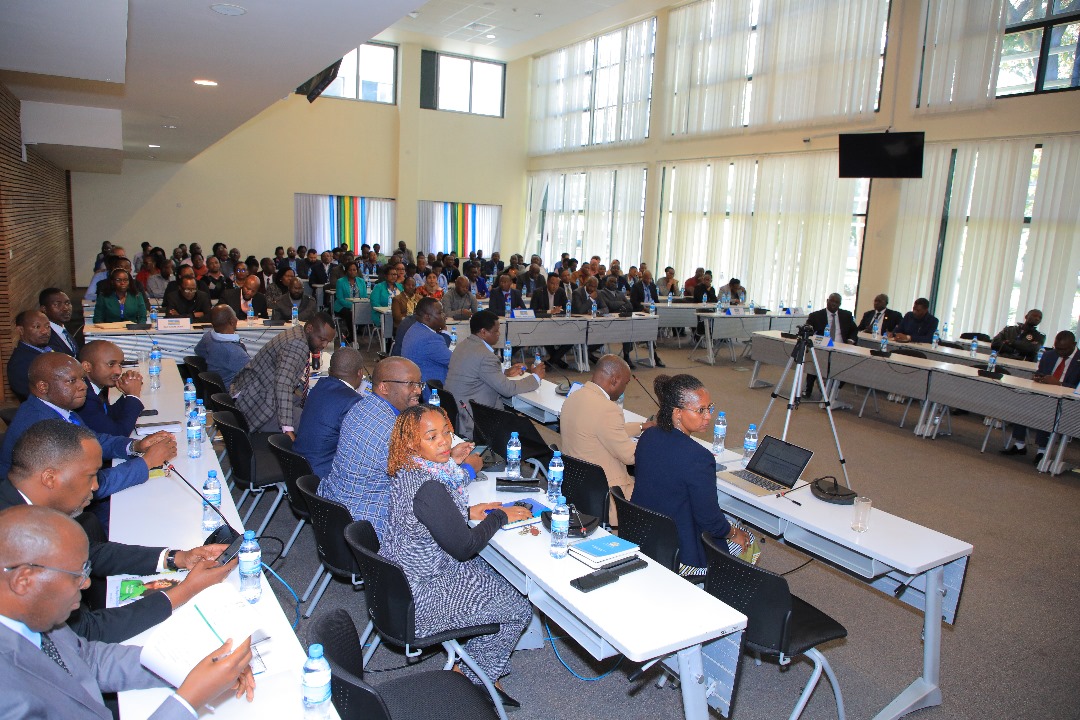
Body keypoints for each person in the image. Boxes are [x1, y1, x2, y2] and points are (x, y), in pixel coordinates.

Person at [0, 505, 255, 718]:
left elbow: (88, 659)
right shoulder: (8, 698)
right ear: (24, 580)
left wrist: (190, 665)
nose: (86, 583)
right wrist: (189, 700)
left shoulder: (35, 614)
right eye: (77, 575)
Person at [0, 421, 232, 642]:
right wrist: (186, 590)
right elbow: (86, 631)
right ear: (50, 478)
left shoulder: (26, 506)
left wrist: (179, 558)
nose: (95, 486)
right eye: (90, 476)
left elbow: (92, 554)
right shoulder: (14, 542)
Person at [380, 405, 532, 705]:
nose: (444, 442)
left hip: (402, 582)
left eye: (447, 432)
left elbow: (428, 516)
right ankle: (472, 678)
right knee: (518, 608)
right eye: (432, 436)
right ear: (412, 442)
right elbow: (464, 547)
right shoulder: (430, 486)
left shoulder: (409, 469)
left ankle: (478, 663)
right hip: (423, 594)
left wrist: (464, 511)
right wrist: (499, 516)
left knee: (499, 577)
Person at [320, 357, 468, 537]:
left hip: (338, 508)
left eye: (419, 384)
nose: (418, 391)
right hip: (369, 524)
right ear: (384, 387)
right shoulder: (392, 430)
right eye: (410, 384)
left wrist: (449, 457)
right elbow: (430, 486)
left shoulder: (361, 406)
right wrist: (469, 468)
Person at [0, 353, 176, 503]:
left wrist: (135, 446)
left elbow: (92, 440)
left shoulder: (56, 407)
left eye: (82, 379)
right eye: (72, 381)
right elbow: (88, 486)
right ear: (43, 386)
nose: (83, 386)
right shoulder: (42, 426)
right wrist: (147, 463)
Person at [633, 374, 755, 577]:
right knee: (748, 539)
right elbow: (711, 523)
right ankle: (727, 596)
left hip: (643, 535)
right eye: (701, 410)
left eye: (710, 408)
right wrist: (735, 533)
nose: (708, 416)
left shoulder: (648, 436)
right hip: (682, 554)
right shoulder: (699, 457)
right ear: (678, 413)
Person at [559, 355, 653, 525]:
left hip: (577, 485)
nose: (624, 389)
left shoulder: (574, 396)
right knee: (662, 495)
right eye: (625, 384)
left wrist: (643, 426)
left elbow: (603, 430)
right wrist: (655, 441)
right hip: (609, 492)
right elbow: (630, 456)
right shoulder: (607, 409)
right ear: (615, 380)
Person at [230, 312, 337, 436]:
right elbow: (283, 384)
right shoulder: (298, 344)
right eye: (322, 339)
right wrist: (287, 428)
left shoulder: (297, 333)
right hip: (257, 406)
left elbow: (284, 374)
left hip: (255, 394)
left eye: (327, 342)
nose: (324, 345)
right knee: (315, 422)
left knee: (312, 404)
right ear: (309, 328)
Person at [446, 310, 544, 439]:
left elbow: (476, 371)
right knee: (527, 428)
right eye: (496, 331)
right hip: (473, 418)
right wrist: (535, 377)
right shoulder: (485, 356)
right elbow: (507, 389)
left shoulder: (462, 346)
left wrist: (505, 372)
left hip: (458, 412)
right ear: (483, 332)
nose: (499, 334)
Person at [1000, 330, 1080, 464]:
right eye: (1057, 348)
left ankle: (1042, 451)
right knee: (1022, 403)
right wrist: (1038, 378)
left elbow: (1078, 387)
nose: (1060, 352)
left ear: (1074, 344)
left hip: (1068, 401)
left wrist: (1060, 384)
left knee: (1047, 411)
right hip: (1043, 394)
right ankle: (1019, 445)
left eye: (1064, 349)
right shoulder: (1049, 355)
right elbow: (1040, 373)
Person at [293, 348, 365, 480]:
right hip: (321, 474)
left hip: (298, 464)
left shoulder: (320, 386)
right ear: (360, 373)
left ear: (331, 370)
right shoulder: (353, 401)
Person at [76, 341, 144, 437]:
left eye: (120, 364)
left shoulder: (92, 388)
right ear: (87, 366)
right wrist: (133, 395)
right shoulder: (84, 397)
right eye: (111, 364)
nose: (118, 371)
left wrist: (128, 394)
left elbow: (108, 415)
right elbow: (118, 434)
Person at [805, 293, 858, 398]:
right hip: (823, 347)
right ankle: (809, 389)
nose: (834, 304)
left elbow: (854, 330)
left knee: (846, 367)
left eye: (837, 302)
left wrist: (850, 340)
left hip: (841, 348)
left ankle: (833, 389)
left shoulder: (846, 315)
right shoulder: (816, 315)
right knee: (816, 362)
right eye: (832, 301)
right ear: (827, 301)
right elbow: (809, 329)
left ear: (840, 304)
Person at [193, 305, 250, 388]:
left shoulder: (208, 336)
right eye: (235, 316)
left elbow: (198, 351)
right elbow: (255, 374)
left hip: (216, 386)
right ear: (231, 321)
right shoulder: (235, 352)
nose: (237, 319)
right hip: (233, 391)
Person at [401, 298, 452, 385]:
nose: (444, 316)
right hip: (431, 391)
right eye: (440, 313)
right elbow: (454, 361)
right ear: (427, 317)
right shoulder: (430, 338)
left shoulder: (414, 328)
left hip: (414, 382)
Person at [7, 310, 54, 401]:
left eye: (48, 326)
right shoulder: (20, 364)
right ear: (20, 330)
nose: (45, 331)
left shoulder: (48, 349)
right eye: (37, 327)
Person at [529, 274, 572, 368]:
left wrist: (559, 311)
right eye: (553, 283)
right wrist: (550, 312)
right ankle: (556, 361)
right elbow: (533, 312)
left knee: (572, 338)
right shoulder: (538, 292)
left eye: (557, 284)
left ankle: (551, 362)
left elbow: (567, 309)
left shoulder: (561, 291)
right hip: (542, 326)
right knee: (545, 337)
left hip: (559, 325)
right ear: (547, 282)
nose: (555, 286)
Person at [599, 276, 638, 368]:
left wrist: (619, 304)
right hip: (608, 321)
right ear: (606, 283)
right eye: (611, 281)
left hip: (622, 319)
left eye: (615, 282)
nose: (613, 284)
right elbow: (610, 305)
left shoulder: (620, 293)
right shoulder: (601, 293)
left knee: (628, 331)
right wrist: (622, 303)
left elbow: (630, 306)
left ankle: (626, 356)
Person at [628, 270, 665, 367]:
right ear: (643, 278)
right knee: (649, 333)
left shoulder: (652, 286)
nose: (649, 280)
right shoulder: (636, 286)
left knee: (652, 332)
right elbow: (633, 301)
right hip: (639, 312)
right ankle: (655, 356)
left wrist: (655, 308)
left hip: (651, 312)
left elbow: (656, 300)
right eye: (647, 278)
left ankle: (654, 354)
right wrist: (643, 309)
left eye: (650, 278)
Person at [333, 261, 368, 343]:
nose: (352, 272)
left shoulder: (361, 281)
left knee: (366, 311)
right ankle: (352, 336)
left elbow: (364, 296)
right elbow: (340, 298)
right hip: (342, 307)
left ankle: (359, 329)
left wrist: (358, 306)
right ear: (346, 271)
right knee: (349, 313)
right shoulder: (340, 282)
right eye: (350, 270)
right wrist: (352, 306)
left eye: (354, 270)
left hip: (358, 306)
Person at [40, 288, 81, 356]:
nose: (66, 308)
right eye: (57, 304)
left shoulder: (63, 329)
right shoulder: (46, 337)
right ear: (44, 309)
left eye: (67, 303)